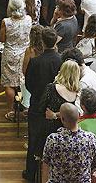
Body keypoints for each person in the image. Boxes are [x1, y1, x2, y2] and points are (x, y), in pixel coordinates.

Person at [23, 28, 61, 181]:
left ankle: (31, 173)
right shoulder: (60, 60)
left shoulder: (35, 61)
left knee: (34, 140)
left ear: (43, 42)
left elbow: (28, 84)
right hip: (55, 106)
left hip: (37, 104)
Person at [42, 103, 96, 183]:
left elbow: (46, 164)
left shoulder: (53, 139)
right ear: (79, 116)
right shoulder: (91, 138)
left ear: (62, 119)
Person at [0, 0, 32, 122]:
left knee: (9, 83)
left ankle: (11, 110)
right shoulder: (28, 19)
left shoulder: (6, 22)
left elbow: (2, 39)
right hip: (25, 53)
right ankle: (25, 108)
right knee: (24, 81)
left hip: (10, 54)